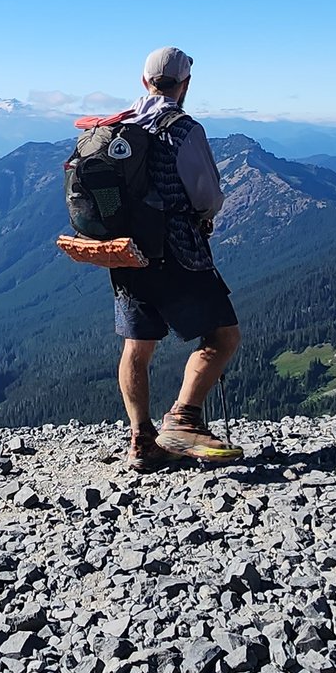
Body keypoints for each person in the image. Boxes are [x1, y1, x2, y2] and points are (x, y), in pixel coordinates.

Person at [110, 46, 245, 470]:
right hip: (177, 253)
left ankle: (141, 441)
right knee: (222, 337)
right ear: (185, 84)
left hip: (126, 255)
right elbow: (207, 197)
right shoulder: (184, 129)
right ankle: (183, 419)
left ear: (144, 81)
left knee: (137, 346)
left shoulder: (117, 127)